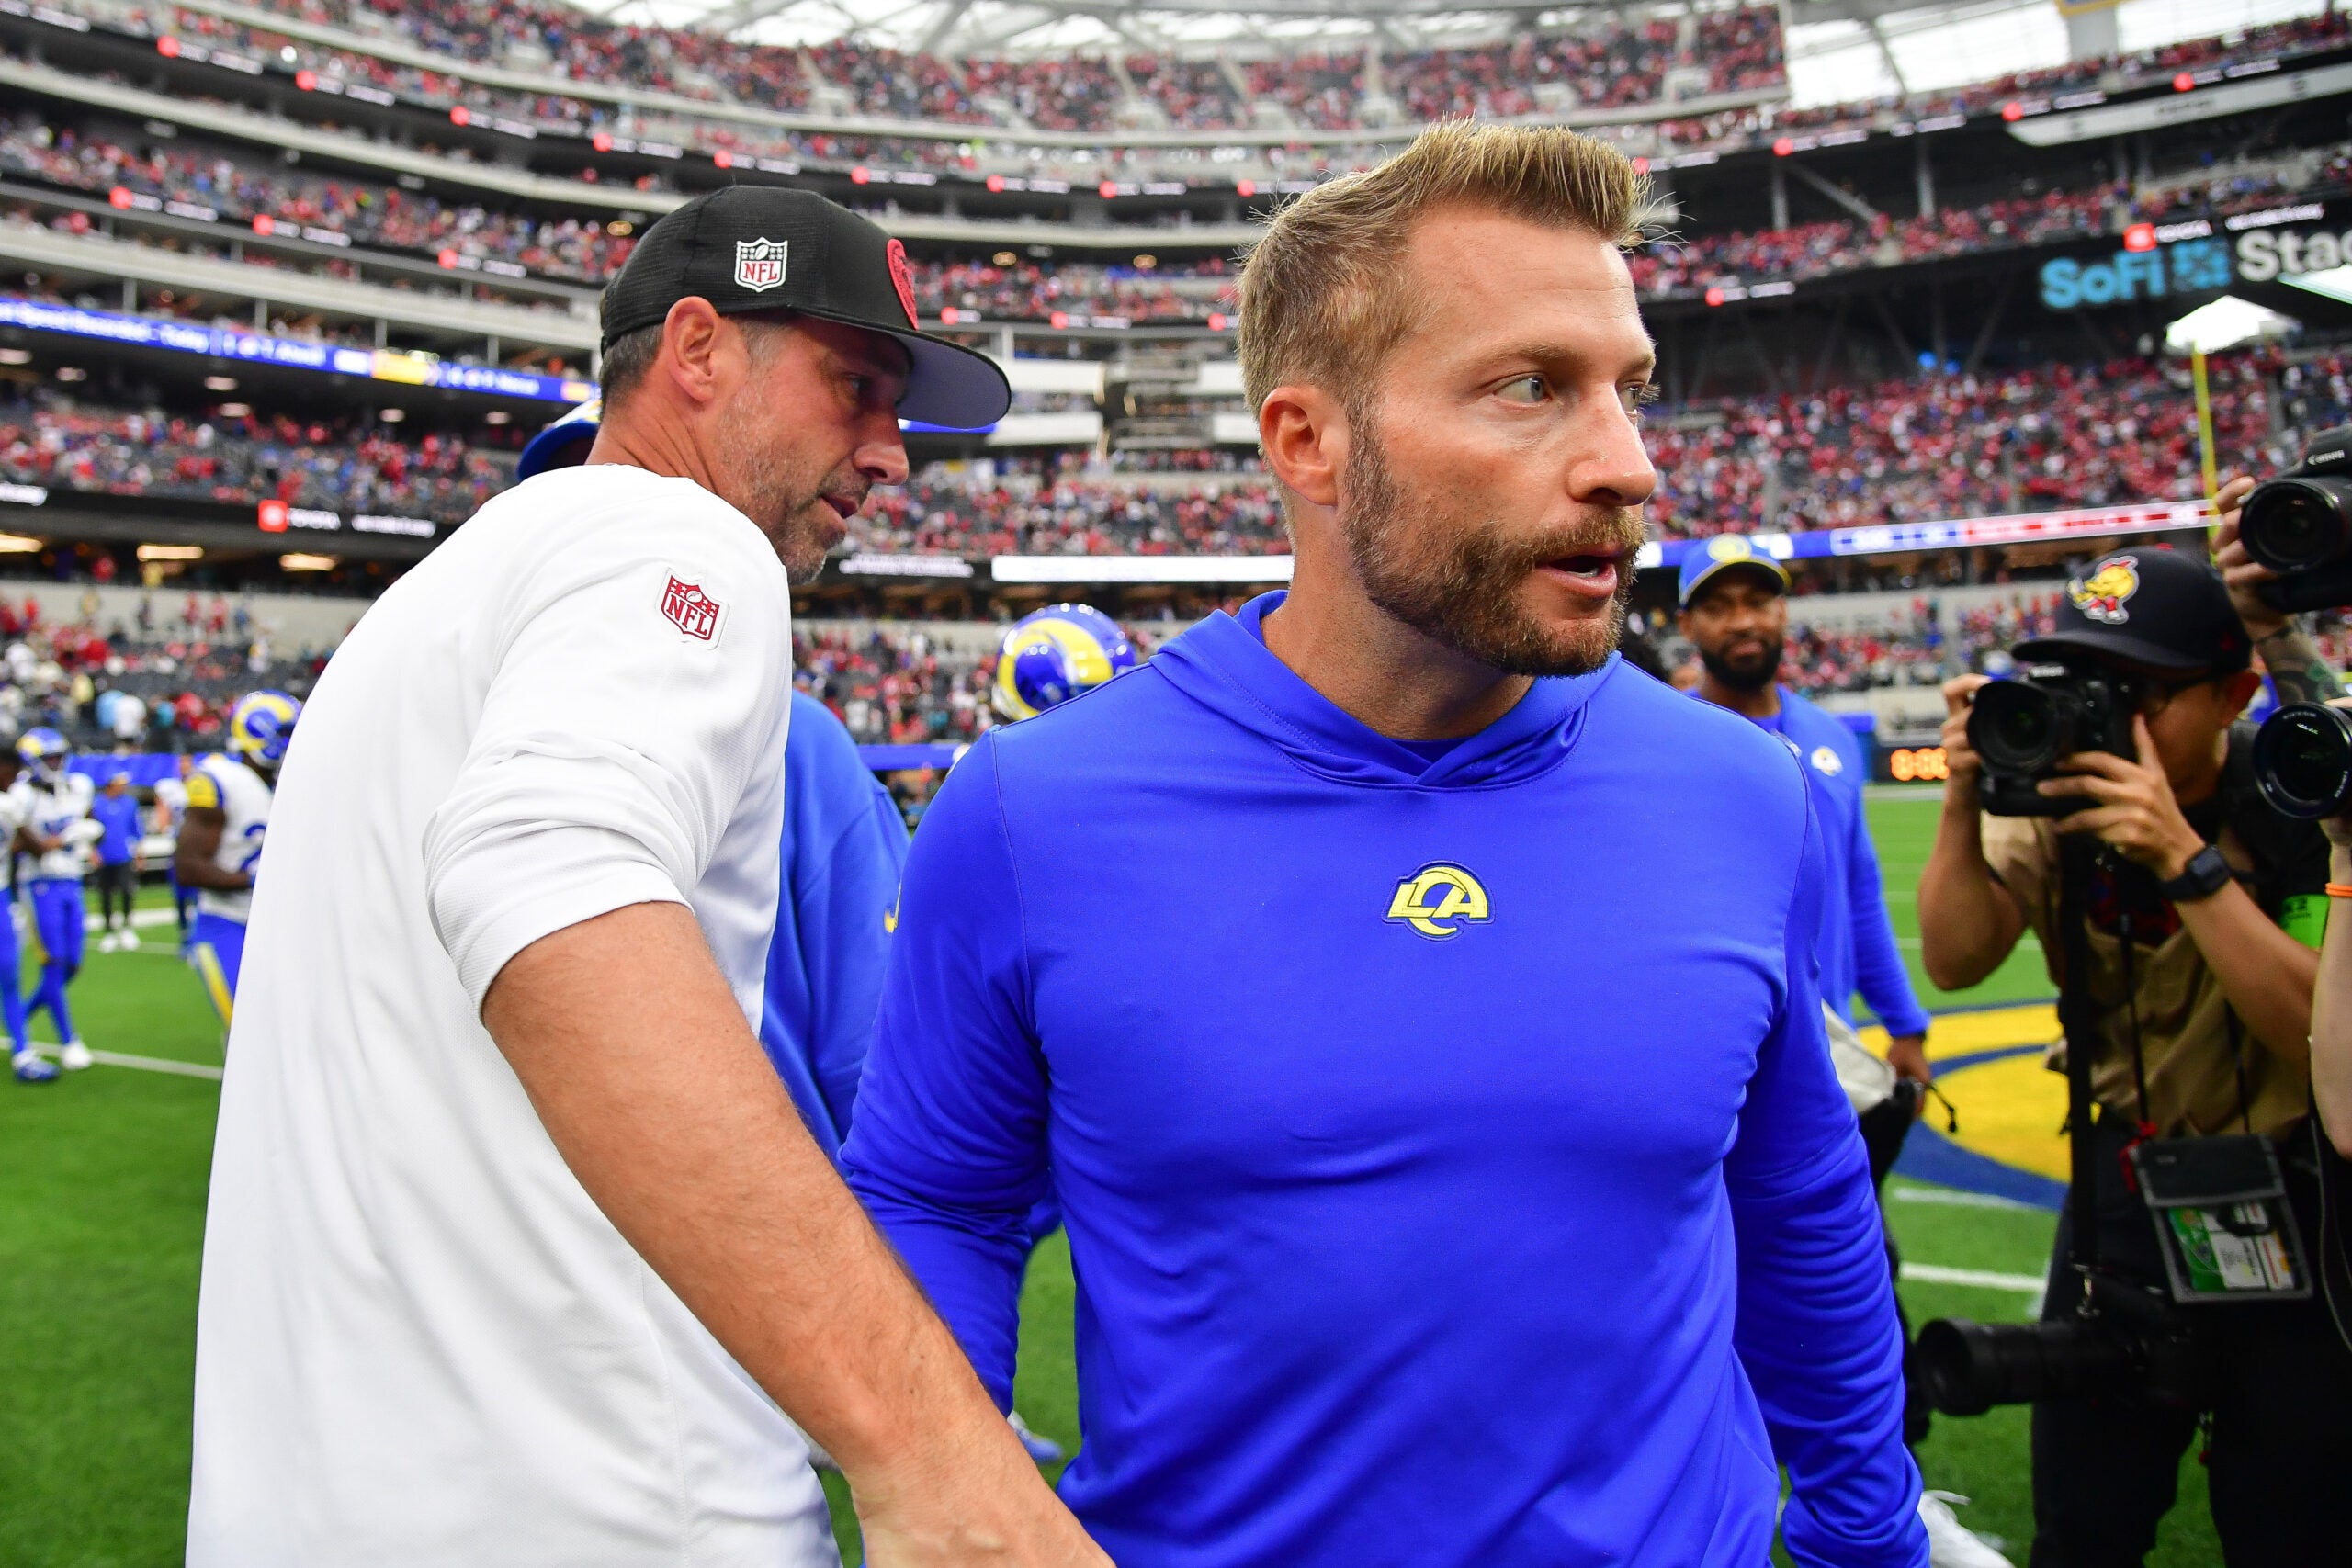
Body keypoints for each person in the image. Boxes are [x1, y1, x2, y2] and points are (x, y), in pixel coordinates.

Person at [843, 122, 1924, 1567]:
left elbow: (1794, 1190)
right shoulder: (1032, 813)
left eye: (1630, 388)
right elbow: (940, 1195)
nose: (1629, 465)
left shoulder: (1743, 791)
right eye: (1532, 386)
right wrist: (959, 1500)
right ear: (1311, 441)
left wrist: (1868, 1533)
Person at [187, 186, 1102, 1568]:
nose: (890, 452)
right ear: (697, 349)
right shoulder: (685, 542)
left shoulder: (423, 607)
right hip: (606, 1498)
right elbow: (547, 863)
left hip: (315, 1498)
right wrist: (927, 1446)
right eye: (856, 387)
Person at [1917, 541, 2351, 1564]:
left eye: (2145, 692)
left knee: (2291, 1521)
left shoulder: (2299, 800)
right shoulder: (2062, 800)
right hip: (2121, 1190)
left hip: (2293, 1195)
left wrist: (2181, 859)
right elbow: (1955, 959)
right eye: (2089, 683)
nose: (2113, 717)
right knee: (2084, 1517)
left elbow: (2313, 1034)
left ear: (2234, 693)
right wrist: (1962, 800)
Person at [1676, 539, 2007, 1567]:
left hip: (1823, 1065)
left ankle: (1887, 1494)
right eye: (1719, 604)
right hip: (1706, 1058)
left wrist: (1904, 1024)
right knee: (1698, 1280)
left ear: (1785, 615)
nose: (1743, 620)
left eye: (1758, 600)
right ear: (1687, 624)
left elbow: (1860, 888)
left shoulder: (1825, 736)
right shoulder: (1663, 738)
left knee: (1852, 1269)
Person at [174, 693, 300, 1026]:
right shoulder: (223, 779)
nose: (293, 742)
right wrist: (256, 880)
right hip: (228, 924)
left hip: (285, 929)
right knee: (252, 1034)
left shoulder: (294, 785)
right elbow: (188, 868)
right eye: (286, 733)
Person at [13, 727, 96, 1068]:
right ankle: (68, 1040)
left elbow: (89, 822)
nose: (57, 763)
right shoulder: (21, 795)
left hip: (71, 880)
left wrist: (92, 834)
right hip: (39, 884)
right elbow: (19, 844)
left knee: (73, 963)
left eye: (59, 757)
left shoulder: (77, 787)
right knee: (54, 962)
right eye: (49, 758)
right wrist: (61, 840)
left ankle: (20, 1016)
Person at [90, 770, 143, 953]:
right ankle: (109, 931)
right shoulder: (97, 804)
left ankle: (127, 927)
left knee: (127, 890)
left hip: (124, 854)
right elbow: (91, 830)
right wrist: (93, 852)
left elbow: (135, 829)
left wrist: (139, 853)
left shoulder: (130, 803)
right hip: (104, 855)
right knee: (105, 894)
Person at [151, 753, 196, 938]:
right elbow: (162, 818)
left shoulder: (201, 786)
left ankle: (195, 936)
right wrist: (166, 826)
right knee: (180, 896)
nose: (184, 767)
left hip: (197, 849)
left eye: (187, 763)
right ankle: (184, 934)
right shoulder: (171, 789)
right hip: (178, 849)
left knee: (198, 896)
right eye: (181, 763)